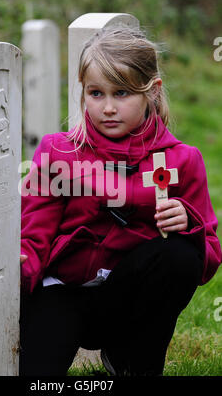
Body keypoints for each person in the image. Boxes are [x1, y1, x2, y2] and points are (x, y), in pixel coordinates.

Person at [19, 26, 221, 376]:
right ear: (83, 92)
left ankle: (129, 359)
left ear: (152, 92)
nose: (108, 108)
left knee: (179, 253)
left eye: (122, 92)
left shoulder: (182, 160)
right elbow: (33, 234)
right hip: (63, 292)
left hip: (126, 299)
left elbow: (208, 256)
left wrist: (188, 224)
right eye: (96, 93)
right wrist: (14, 281)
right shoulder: (58, 152)